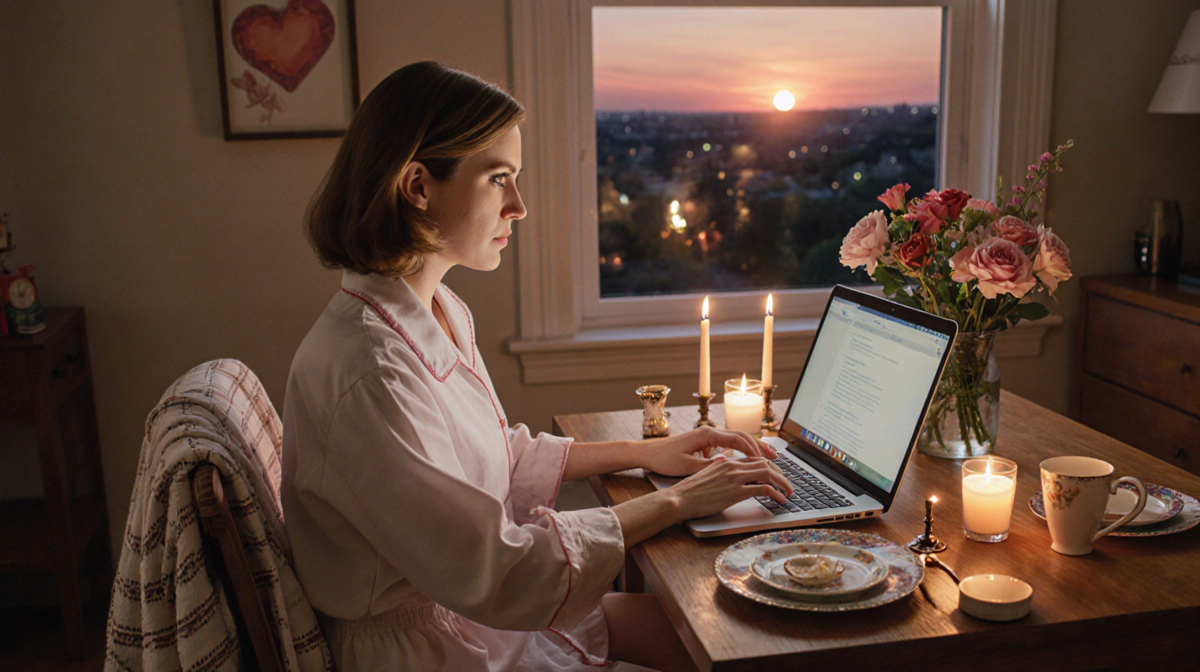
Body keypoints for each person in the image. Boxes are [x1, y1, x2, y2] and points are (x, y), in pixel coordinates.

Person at [281, 61, 793, 672]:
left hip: (482, 619)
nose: (519, 206)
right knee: (730, 635)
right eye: (499, 179)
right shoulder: (369, 371)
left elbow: (495, 454)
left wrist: (647, 453)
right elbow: (501, 572)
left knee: (732, 631)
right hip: (437, 651)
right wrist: (678, 502)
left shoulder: (435, 309)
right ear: (418, 187)